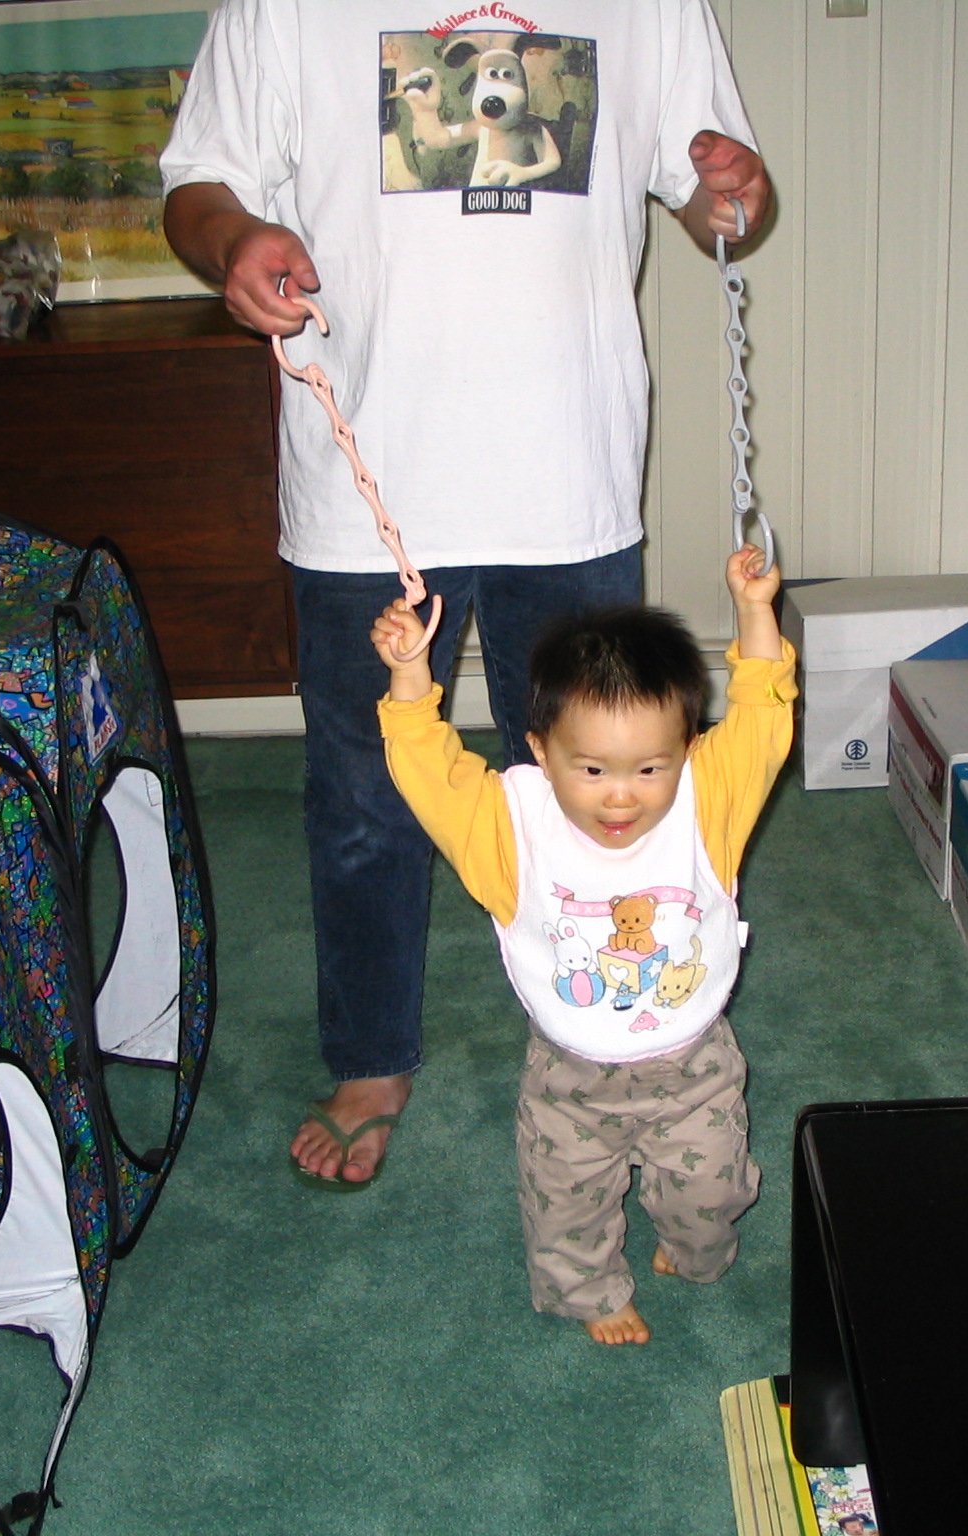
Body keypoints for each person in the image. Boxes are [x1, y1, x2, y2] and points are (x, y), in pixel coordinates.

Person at [160, 2, 772, 1188]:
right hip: (367, 475)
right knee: (364, 795)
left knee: (609, 784)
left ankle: (616, 1017)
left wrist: (730, 192)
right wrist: (230, 235)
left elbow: (715, 198)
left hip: (571, 476)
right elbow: (199, 183)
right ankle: (369, 1056)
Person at [369, 544, 793, 1341]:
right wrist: (409, 676)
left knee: (711, 1200)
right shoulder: (510, 829)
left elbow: (764, 721)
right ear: (541, 751)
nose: (622, 797)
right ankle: (591, 1292)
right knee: (562, 1203)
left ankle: (689, 1244)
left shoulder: (707, 803)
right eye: (592, 770)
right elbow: (428, 773)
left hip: (694, 1066)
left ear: (688, 750)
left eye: (651, 769)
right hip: (570, 1078)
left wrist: (754, 611)